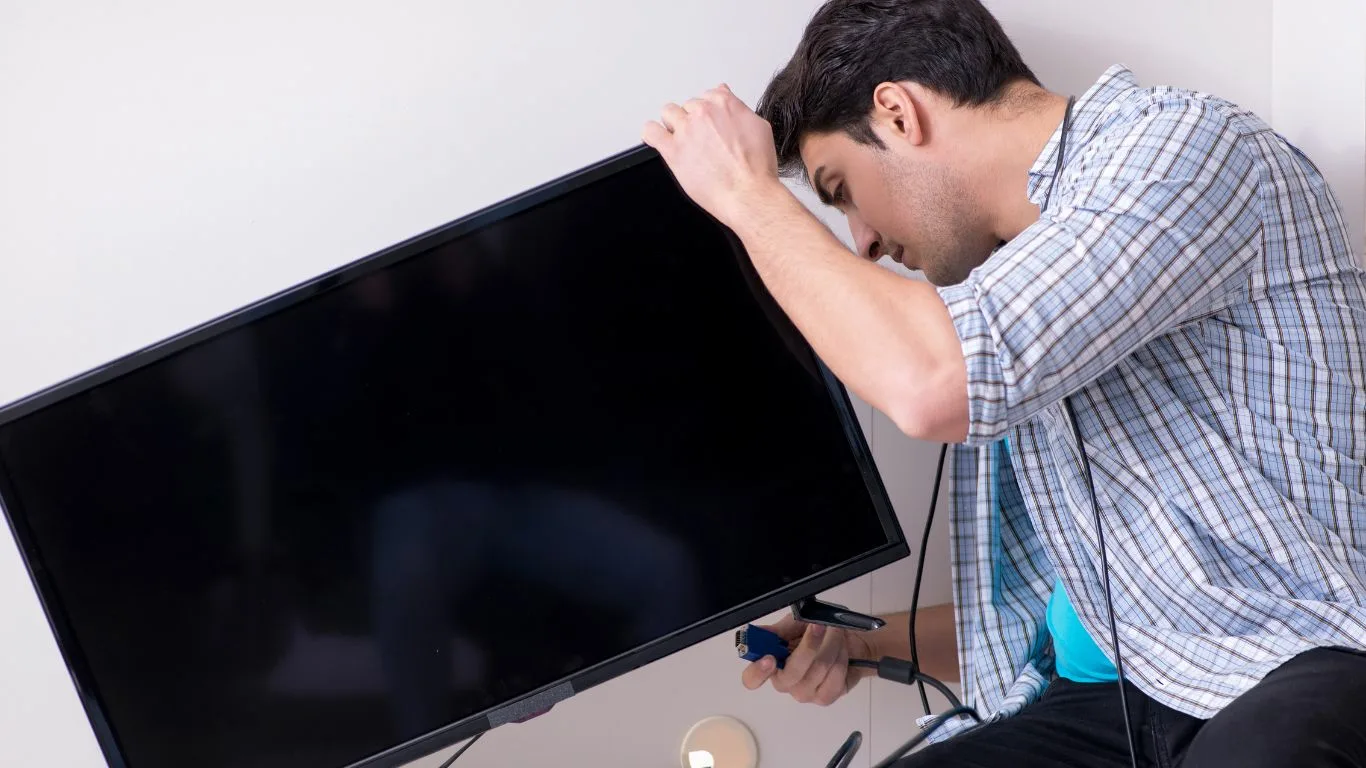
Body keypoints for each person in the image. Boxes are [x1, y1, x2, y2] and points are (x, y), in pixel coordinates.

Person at [642, 1, 1366, 766]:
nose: (865, 242)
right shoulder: (1016, 279)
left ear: (897, 113)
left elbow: (933, 386)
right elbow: (1067, 616)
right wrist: (860, 644)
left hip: (1298, 659)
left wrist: (748, 198)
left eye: (841, 189)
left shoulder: (1183, 148)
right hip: (1113, 700)